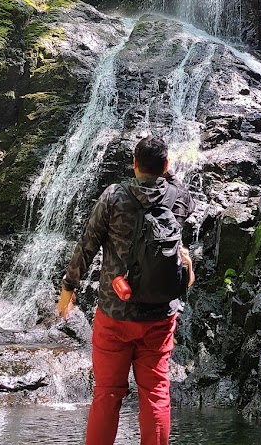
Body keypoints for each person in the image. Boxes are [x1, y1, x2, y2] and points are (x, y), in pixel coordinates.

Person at [57, 136, 195, 445]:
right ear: (166, 166)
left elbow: (87, 245)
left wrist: (68, 288)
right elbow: (179, 196)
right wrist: (166, 172)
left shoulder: (114, 197)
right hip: (159, 316)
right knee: (156, 394)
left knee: (107, 393)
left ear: (134, 165)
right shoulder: (179, 198)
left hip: (115, 312)